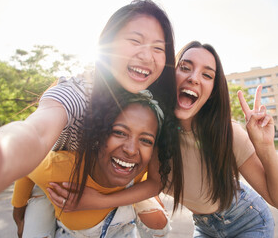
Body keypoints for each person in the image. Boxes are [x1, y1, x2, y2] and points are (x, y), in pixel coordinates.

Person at [51, 41, 278, 237]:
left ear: (211, 92)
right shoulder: (153, 131)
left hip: (247, 220)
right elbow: (154, 183)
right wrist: (97, 200)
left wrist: (265, 147)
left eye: (207, 75)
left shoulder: (227, 133)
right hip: (205, 226)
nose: (194, 78)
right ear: (170, 75)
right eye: (186, 67)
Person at [12, 91, 170, 237]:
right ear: (98, 135)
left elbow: (155, 182)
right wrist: (18, 214)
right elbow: (26, 162)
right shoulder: (61, 172)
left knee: (159, 224)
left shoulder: (140, 164)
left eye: (145, 140)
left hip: (121, 209)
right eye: (119, 132)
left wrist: (100, 201)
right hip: (71, 225)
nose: (131, 150)